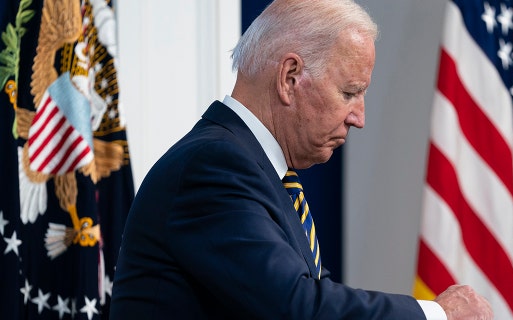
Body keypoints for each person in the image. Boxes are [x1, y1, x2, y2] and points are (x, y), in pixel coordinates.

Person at [110, 0, 493, 319]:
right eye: (349, 92)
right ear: (290, 77)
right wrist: (438, 314)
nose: (360, 117)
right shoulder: (213, 165)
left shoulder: (258, 172)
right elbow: (297, 308)